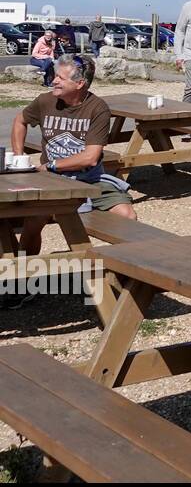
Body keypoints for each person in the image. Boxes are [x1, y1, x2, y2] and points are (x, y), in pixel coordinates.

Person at [6, 55, 137, 306]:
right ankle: (21, 281)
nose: (53, 80)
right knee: (34, 222)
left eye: (60, 78)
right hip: (51, 180)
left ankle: (123, 278)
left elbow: (90, 158)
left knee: (127, 217)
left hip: (90, 179)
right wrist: (19, 156)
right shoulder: (46, 101)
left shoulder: (97, 108)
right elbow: (20, 121)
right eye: (55, 76)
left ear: (80, 84)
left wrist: (50, 164)